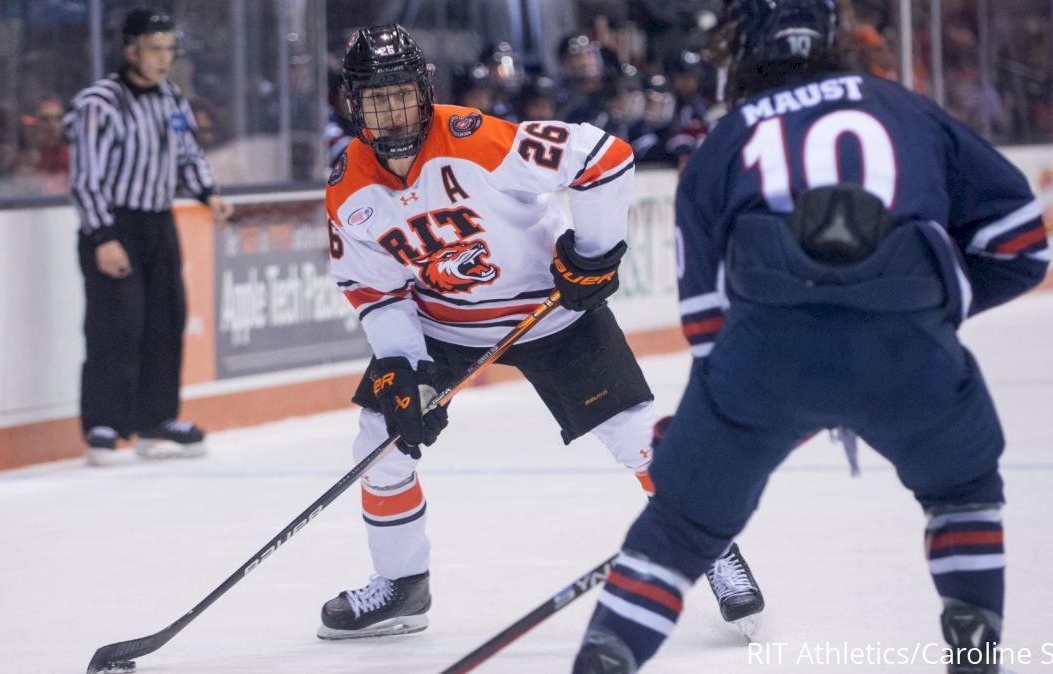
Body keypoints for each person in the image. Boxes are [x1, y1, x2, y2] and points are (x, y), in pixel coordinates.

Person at [573, 1, 1049, 673]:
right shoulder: (906, 108)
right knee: (963, 490)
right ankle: (976, 648)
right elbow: (1022, 239)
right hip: (911, 354)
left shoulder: (723, 140)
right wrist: (927, 305)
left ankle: (608, 655)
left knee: (680, 525)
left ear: (745, 49)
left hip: (764, 360)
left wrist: (721, 416)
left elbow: (708, 318)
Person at [319, 24, 764, 641]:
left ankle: (713, 547)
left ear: (424, 93)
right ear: (354, 105)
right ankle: (402, 585)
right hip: (443, 323)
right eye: (376, 97)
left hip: (549, 309)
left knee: (636, 435)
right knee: (379, 442)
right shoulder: (348, 183)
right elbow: (374, 288)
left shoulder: (476, 139)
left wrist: (594, 254)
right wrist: (401, 365)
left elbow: (604, 158)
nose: (391, 110)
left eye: (401, 94)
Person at [66, 7, 234, 466]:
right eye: (154, 49)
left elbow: (187, 155)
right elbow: (85, 178)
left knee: (166, 319)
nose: (164, 58)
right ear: (130, 50)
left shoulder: (171, 99)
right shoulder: (99, 102)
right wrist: (102, 235)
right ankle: (104, 423)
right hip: (114, 224)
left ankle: (154, 419)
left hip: (159, 222)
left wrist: (208, 193)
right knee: (115, 324)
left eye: (169, 49)